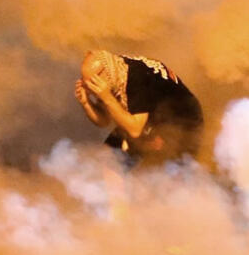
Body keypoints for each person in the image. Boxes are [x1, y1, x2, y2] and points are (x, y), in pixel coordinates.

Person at [74, 50, 203, 167]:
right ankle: (117, 191)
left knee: (143, 156)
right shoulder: (115, 72)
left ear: (104, 75)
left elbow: (135, 130)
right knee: (109, 152)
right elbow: (105, 120)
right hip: (153, 119)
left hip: (182, 124)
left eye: (92, 82)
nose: (90, 87)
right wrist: (86, 103)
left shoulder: (137, 79)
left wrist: (106, 97)